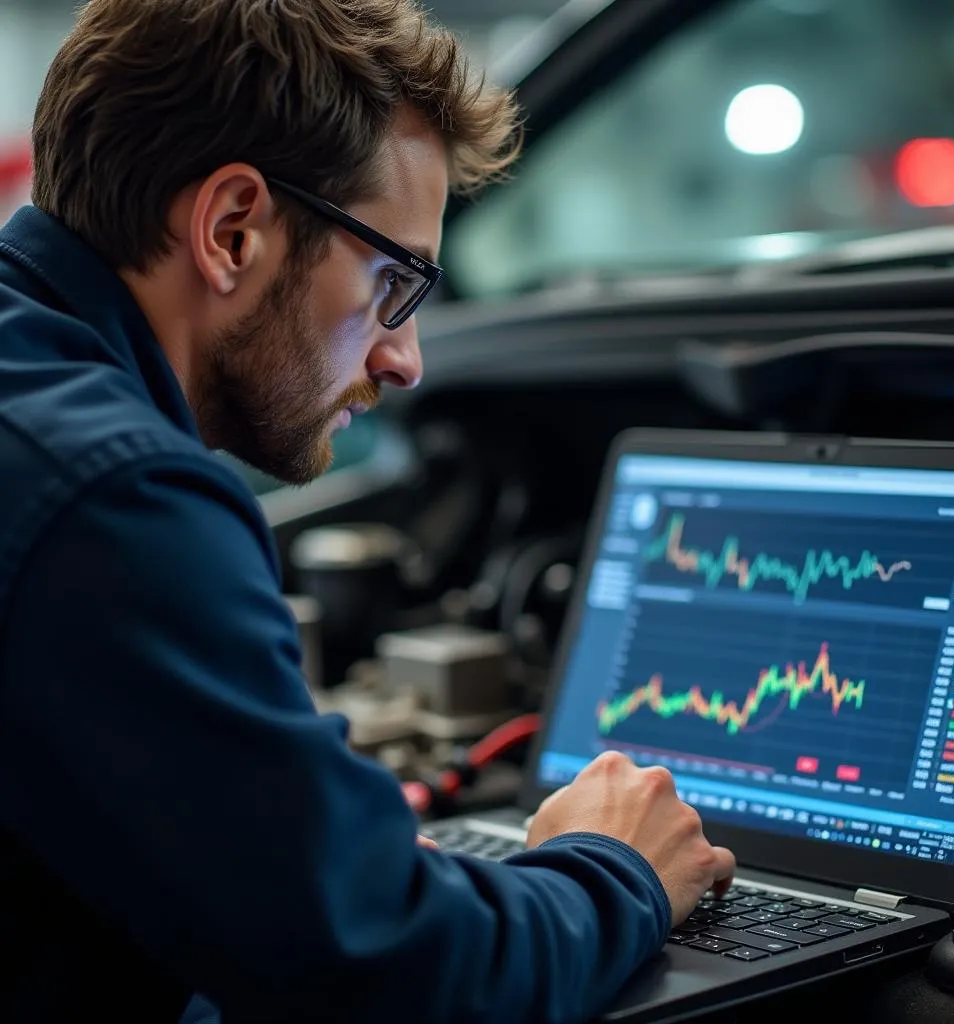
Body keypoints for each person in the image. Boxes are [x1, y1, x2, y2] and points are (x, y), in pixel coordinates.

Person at [0, 1, 736, 1021]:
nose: (405, 358)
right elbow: (393, 976)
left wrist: (310, 847)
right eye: (394, 279)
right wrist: (613, 867)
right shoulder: (116, 494)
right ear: (232, 230)